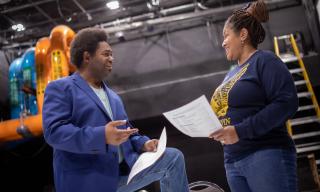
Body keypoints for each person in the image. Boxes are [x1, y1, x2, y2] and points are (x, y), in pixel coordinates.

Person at [42, 28, 189, 192]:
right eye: (106, 54)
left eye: (112, 54)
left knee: (173, 157)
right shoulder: (61, 87)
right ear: (87, 57)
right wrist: (102, 136)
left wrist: (143, 143)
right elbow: (54, 132)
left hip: (123, 175)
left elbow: (127, 132)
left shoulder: (113, 97)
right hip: (88, 182)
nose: (111, 59)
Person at [209, 1, 298, 191]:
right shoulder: (230, 74)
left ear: (243, 34)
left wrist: (240, 131)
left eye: (226, 36)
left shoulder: (265, 61)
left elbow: (287, 103)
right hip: (233, 161)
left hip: (265, 153)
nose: (223, 42)